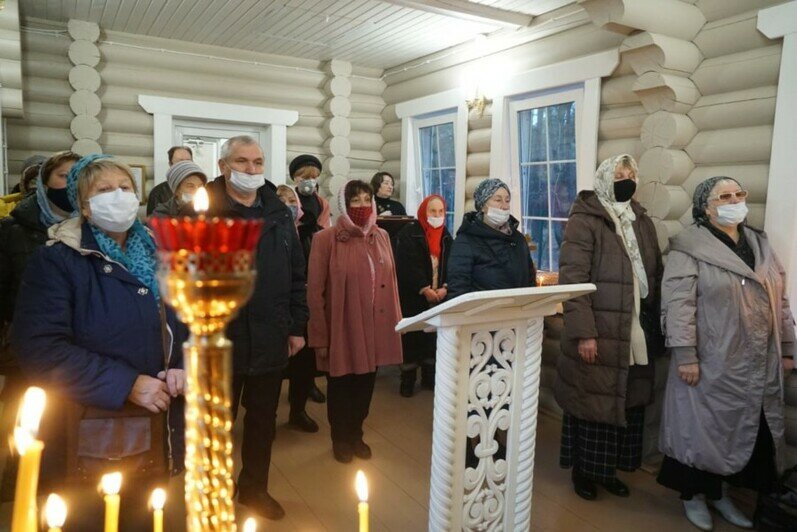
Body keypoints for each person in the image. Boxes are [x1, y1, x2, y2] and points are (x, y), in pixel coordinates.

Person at [10, 154, 186, 530]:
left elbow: (184, 323)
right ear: (85, 207)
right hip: (91, 429)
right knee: (93, 517)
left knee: (147, 516)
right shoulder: (59, 260)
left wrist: (183, 367)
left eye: (124, 188)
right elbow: (40, 348)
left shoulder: (162, 255)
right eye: (104, 190)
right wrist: (126, 384)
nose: (118, 196)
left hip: (159, 419)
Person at [657, 176, 795, 531]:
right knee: (701, 431)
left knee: (740, 431)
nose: (734, 200)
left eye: (738, 194)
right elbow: (678, 304)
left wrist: (789, 347)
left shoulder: (758, 244)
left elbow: (779, 300)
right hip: (710, 356)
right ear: (706, 207)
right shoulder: (690, 247)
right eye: (724, 196)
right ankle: (694, 496)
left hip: (757, 360)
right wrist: (686, 354)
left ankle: (721, 496)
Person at [206, 135, 308, 520]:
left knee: (263, 420)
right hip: (220, 339)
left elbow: (297, 274)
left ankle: (253, 488)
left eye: (258, 162)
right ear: (224, 166)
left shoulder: (279, 213)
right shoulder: (202, 212)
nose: (251, 170)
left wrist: (297, 326)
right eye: (242, 161)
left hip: (270, 334)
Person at [553, 154, 664, 501]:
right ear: (604, 178)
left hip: (633, 329)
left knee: (625, 401)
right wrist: (585, 331)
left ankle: (609, 470)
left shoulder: (640, 219)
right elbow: (573, 280)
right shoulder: (585, 220)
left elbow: (654, 272)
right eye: (619, 174)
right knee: (593, 403)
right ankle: (584, 472)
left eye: (631, 174)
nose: (626, 179)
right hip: (599, 327)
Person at [0, 150, 81, 500]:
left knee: (65, 434)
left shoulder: (92, 228)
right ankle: (21, 496)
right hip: (26, 350)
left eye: (79, 175)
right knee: (28, 428)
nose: (72, 183)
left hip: (75, 351)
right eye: (64, 176)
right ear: (43, 183)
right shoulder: (13, 231)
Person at [307, 180, 402, 463]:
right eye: (355, 200)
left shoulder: (381, 235)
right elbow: (315, 291)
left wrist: (393, 327)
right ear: (343, 206)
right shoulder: (325, 239)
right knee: (341, 385)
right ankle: (340, 437)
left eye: (366, 199)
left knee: (366, 384)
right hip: (342, 327)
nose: (361, 205)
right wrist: (320, 336)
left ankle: (356, 433)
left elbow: (391, 283)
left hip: (375, 326)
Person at [394, 194, 452, 397]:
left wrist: (445, 287)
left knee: (432, 339)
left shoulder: (446, 236)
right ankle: (408, 380)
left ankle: (429, 377)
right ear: (423, 212)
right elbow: (407, 265)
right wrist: (423, 288)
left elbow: (451, 265)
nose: (437, 215)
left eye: (441, 212)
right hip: (414, 296)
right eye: (432, 211)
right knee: (412, 338)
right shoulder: (409, 233)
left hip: (439, 296)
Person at [446, 178, 536, 299]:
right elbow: (458, 290)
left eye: (507, 200)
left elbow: (530, 280)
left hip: (519, 314)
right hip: (483, 315)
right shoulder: (465, 242)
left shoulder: (518, 239)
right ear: (482, 206)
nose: (504, 206)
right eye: (498, 200)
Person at [290, 155, 333, 406]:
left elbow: (324, 228)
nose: (310, 181)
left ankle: (310, 383)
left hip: (315, 264)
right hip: (296, 266)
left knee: (314, 328)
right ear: (295, 178)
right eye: (305, 177)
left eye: (314, 176)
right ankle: (298, 386)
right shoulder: (287, 199)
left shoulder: (321, 202)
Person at [146, 146, 194, 215]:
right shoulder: (158, 192)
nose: (185, 165)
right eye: (180, 161)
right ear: (171, 164)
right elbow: (152, 222)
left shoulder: (201, 189)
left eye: (188, 161)